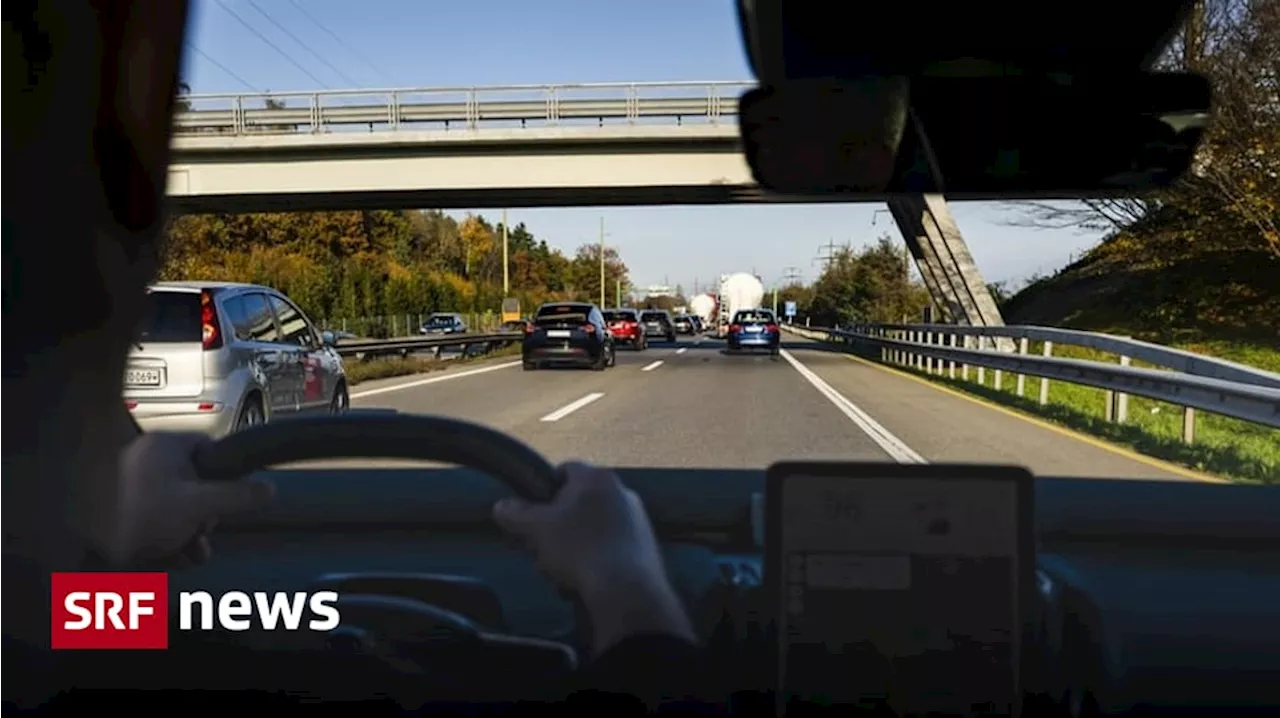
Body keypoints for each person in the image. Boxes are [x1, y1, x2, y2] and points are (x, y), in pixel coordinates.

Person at [0, 0, 709, 712]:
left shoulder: (40, 612)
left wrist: (114, 559)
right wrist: (626, 580)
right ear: (126, 160)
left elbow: (74, 634)